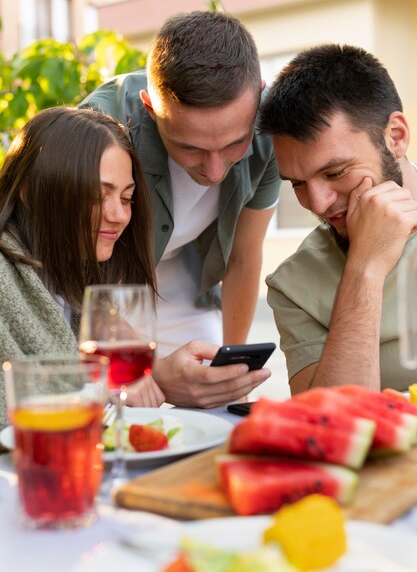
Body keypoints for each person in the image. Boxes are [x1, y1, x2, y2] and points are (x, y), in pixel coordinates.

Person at [0, 107, 270, 431]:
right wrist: (157, 379)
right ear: (31, 191)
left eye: (127, 198)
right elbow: (13, 413)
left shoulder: (80, 286)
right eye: (97, 196)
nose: (118, 216)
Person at [80, 10, 280, 356]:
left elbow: (244, 257)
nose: (215, 172)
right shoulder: (96, 131)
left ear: (258, 98)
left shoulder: (270, 133)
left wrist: (233, 360)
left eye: (234, 144)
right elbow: (69, 260)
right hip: (98, 283)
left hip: (184, 279)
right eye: (190, 148)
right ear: (150, 108)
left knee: (213, 391)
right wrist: (143, 368)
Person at [258, 44, 417, 394]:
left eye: (335, 172)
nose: (317, 203)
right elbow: (328, 421)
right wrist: (365, 268)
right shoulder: (293, 285)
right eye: (297, 183)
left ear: (396, 137)